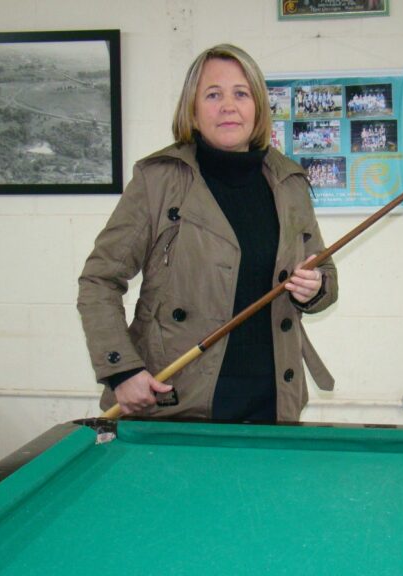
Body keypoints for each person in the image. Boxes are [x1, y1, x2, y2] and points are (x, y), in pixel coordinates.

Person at [77, 44, 338, 423]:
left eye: (241, 94)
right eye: (213, 95)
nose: (228, 106)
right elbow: (99, 280)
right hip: (178, 400)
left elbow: (325, 274)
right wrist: (122, 370)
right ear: (193, 110)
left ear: (258, 107)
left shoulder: (289, 181)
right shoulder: (158, 180)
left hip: (272, 399)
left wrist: (314, 289)